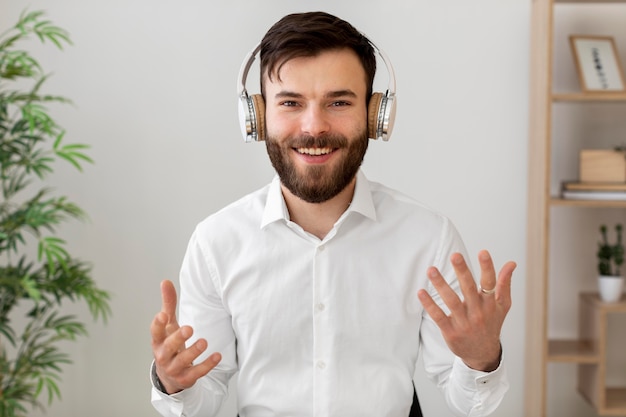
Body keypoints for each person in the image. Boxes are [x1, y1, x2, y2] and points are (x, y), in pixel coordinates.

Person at [150, 11, 516, 417]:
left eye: (338, 102)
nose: (314, 126)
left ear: (376, 115)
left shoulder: (428, 237)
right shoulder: (216, 241)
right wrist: (174, 386)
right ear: (257, 116)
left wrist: (481, 360)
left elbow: (471, 402)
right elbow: (201, 400)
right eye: (290, 102)